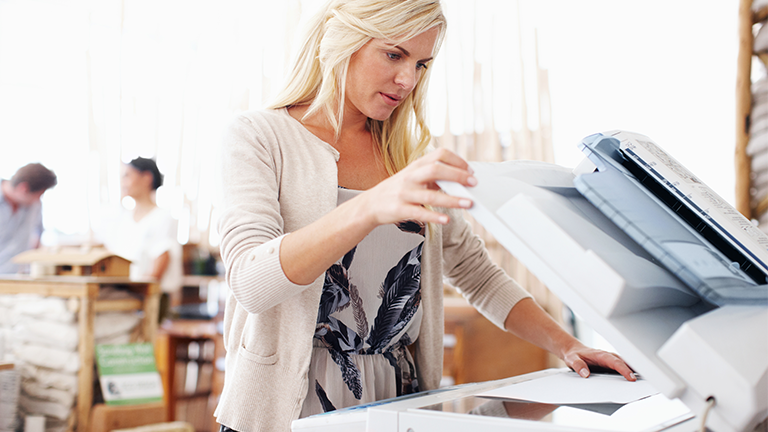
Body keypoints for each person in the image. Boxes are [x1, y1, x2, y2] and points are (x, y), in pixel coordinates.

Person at [214, 1, 636, 431]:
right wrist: (369, 206)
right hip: (283, 408)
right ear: (340, 41)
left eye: (421, 64)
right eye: (394, 55)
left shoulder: (409, 156)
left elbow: (476, 273)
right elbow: (251, 280)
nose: (408, 80)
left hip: (397, 403)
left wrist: (566, 345)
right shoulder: (259, 136)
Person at [97, 157, 183, 310]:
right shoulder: (122, 219)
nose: (123, 183)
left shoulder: (163, 218)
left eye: (127, 176)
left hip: (147, 297)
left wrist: (133, 293)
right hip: (121, 293)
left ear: (146, 178)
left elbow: (159, 267)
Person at [0, 163, 57, 274]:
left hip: (19, 276)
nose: (39, 199)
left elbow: (38, 233)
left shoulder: (35, 205)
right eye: (39, 195)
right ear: (24, 188)